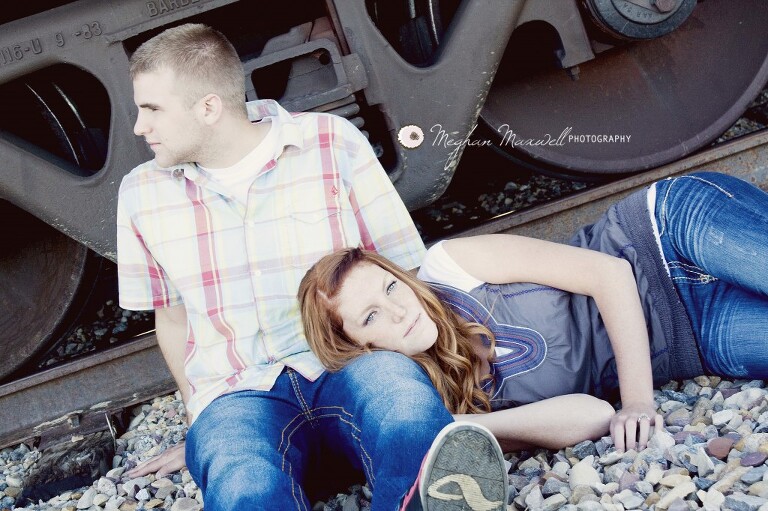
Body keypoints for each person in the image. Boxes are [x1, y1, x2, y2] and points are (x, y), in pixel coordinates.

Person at [116, 23, 509, 511]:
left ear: (209, 108)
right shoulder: (141, 194)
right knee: (242, 484)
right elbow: (172, 320)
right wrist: (204, 426)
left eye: (152, 109)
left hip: (351, 364)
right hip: (237, 396)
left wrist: (441, 372)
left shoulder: (329, 142)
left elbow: (401, 267)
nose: (140, 127)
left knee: (407, 413)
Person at [299, 171, 768, 454]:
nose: (399, 310)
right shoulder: (447, 406)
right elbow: (593, 415)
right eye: (371, 317)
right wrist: (446, 426)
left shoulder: (449, 267)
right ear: (360, 349)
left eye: (391, 287)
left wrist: (640, 404)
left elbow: (610, 273)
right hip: (695, 337)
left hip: (665, 234)